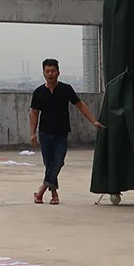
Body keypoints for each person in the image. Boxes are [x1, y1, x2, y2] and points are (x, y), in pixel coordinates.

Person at [29, 58, 103, 204]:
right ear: (43, 73)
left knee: (58, 162)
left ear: (58, 72)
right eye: (47, 71)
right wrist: (32, 133)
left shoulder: (66, 89)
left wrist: (93, 121)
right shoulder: (38, 92)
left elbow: (80, 105)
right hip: (45, 133)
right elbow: (34, 113)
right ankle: (54, 195)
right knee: (49, 164)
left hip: (61, 133)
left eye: (53, 71)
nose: (50, 74)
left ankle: (41, 190)